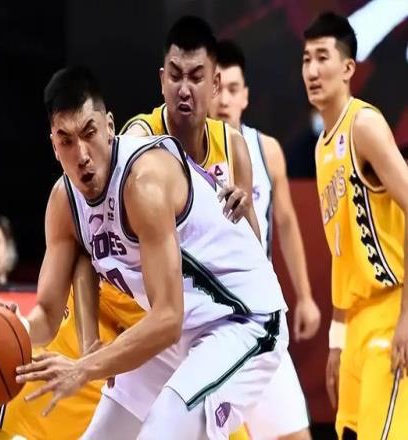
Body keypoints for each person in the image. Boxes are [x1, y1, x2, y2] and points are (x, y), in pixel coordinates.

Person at [2, 63, 289, 440]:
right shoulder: (63, 202)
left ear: (109, 126)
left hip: (242, 318)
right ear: (54, 146)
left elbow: (167, 317)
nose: (82, 153)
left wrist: (84, 367)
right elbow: (48, 315)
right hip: (183, 331)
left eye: (89, 132)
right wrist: (14, 329)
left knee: (162, 432)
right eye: (66, 140)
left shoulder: (143, 182)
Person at [119, 17, 309, 440]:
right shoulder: (138, 140)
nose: (184, 89)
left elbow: (258, 250)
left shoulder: (235, 146)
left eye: (196, 77)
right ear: (162, 80)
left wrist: (240, 219)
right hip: (169, 322)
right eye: (175, 76)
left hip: (238, 321)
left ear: (215, 84)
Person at [302, 11, 408, 439]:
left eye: (322, 57)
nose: (311, 70)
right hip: (357, 322)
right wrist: (337, 338)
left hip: (391, 309)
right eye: (306, 59)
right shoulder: (321, 147)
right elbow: (342, 252)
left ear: (348, 68)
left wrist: (406, 317)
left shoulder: (364, 125)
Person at [209, 40, 320, 439]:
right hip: (209, 324)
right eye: (217, 88)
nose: (224, 99)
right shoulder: (182, 157)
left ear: (246, 96)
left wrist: (305, 296)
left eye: (233, 89)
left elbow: (285, 223)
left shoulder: (266, 149)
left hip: (260, 316)